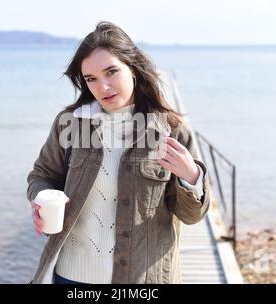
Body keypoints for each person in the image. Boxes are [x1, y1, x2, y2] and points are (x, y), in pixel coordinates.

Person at [26, 21, 210, 284]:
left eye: (111, 72)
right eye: (91, 79)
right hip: (71, 277)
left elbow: (191, 216)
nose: (103, 87)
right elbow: (42, 174)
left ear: (133, 69)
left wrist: (190, 177)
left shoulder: (171, 131)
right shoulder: (70, 123)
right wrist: (42, 198)